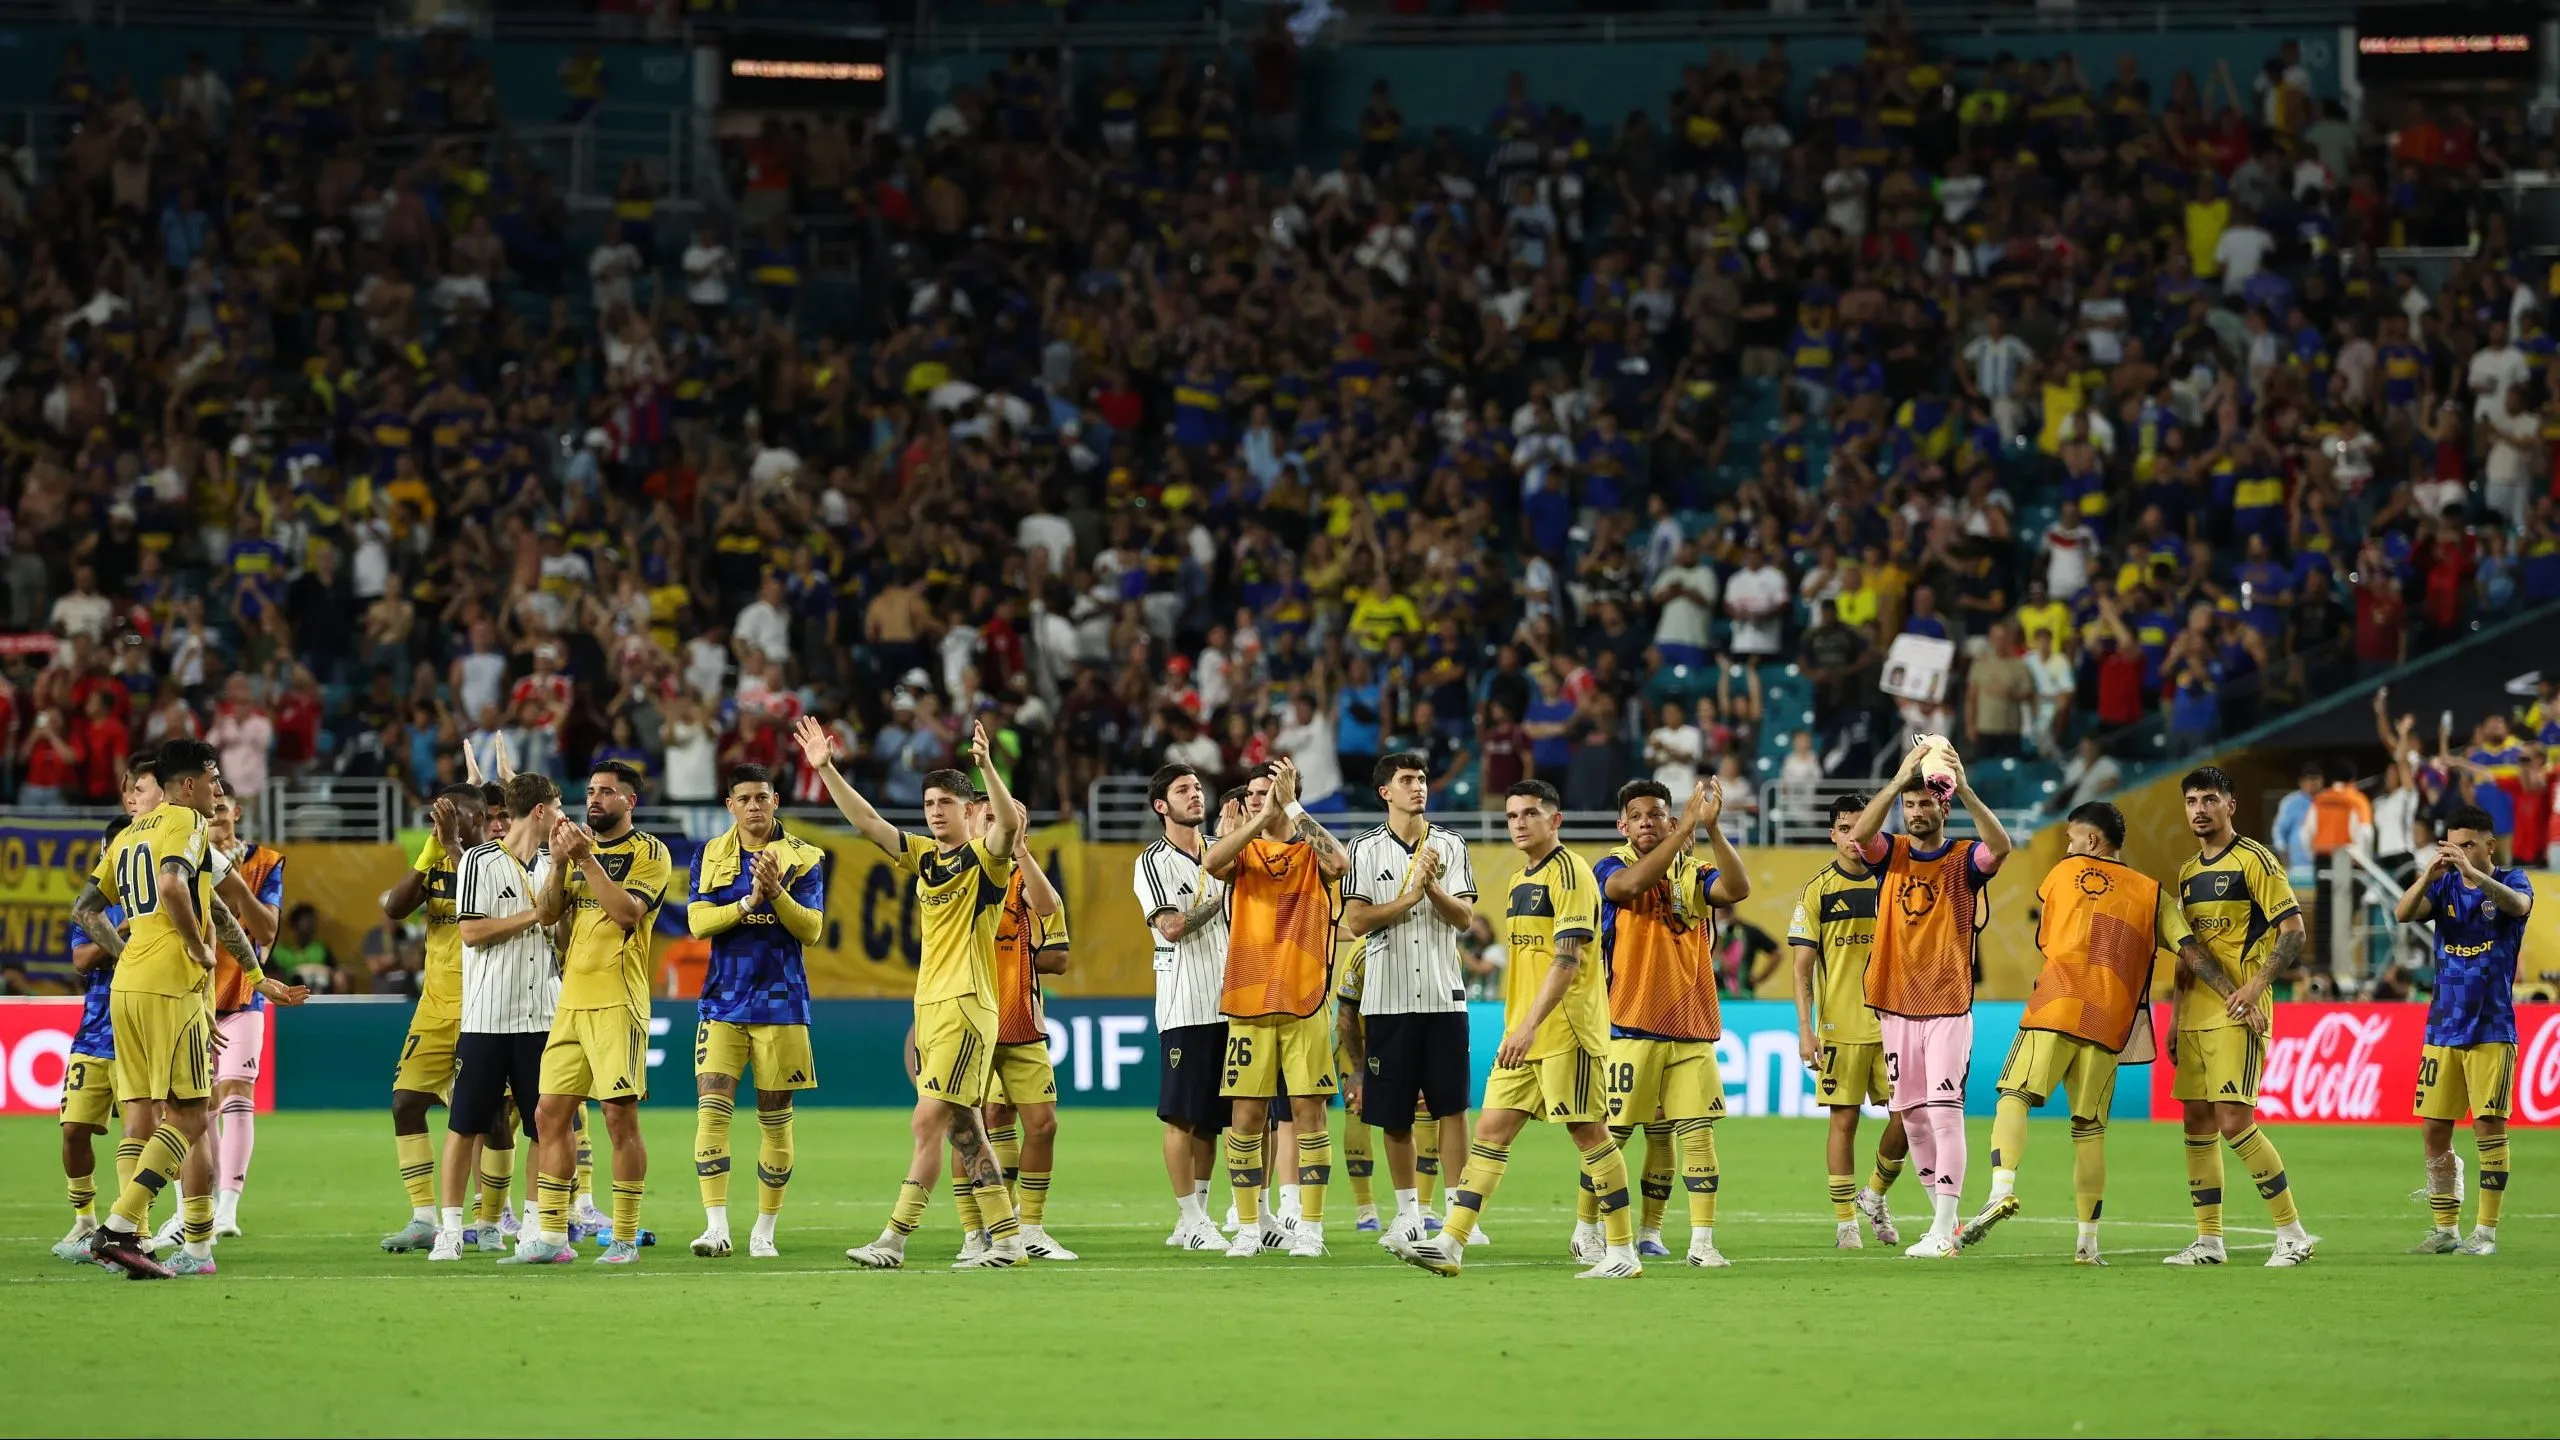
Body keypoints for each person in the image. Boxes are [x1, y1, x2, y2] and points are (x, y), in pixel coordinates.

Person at [1395, 779, 1640, 1279]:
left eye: (1530, 813)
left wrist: (1529, 1026)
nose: (1519, 824)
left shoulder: (1571, 875)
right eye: (1511, 816)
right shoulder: (1516, 880)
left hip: (1565, 1028)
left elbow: (1567, 962)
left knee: (1588, 1131)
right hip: (1523, 1033)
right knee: (1490, 1131)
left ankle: (1622, 1251)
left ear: (1556, 820)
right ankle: (1451, 1243)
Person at [813, 716, 1032, 1271]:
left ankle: (894, 1238)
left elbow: (1007, 823)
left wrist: (985, 766)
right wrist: (827, 770)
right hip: (932, 1006)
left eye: (946, 804)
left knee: (927, 1120)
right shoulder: (924, 858)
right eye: (930, 803)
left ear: (967, 810)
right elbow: (867, 822)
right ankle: (1007, 1241)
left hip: (966, 1005)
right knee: (964, 1128)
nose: (935, 811)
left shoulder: (987, 861)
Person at [1962, 801, 2202, 1265]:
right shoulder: (2153, 893)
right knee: (2089, 1131)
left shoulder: (2063, 873)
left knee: (2014, 1096)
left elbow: (2052, 925)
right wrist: (2236, 990)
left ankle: (2001, 1190)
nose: (2069, 846)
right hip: (2111, 1020)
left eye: (2073, 837)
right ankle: (2087, 1245)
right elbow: (2189, 950)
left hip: (2057, 1003)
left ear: (2091, 841)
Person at [73, 740, 274, 1278]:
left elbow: (85, 910)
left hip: (128, 987)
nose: (218, 789)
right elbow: (171, 885)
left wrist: (129, 952)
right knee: (189, 1114)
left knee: (146, 1113)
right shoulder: (184, 819)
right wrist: (193, 946)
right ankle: (120, 1227)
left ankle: (152, 1237)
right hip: (171, 988)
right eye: (212, 779)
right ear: (188, 784)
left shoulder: (132, 831)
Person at [1844, 738, 2014, 1257]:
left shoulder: (1964, 860)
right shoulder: (1889, 854)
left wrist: (1962, 787)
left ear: (1942, 807)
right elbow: (1856, 837)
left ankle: (1942, 1230)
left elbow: (2001, 847)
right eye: (1909, 805)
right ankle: (1946, 1222)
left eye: (1925, 802)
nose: (1917, 811)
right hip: (1894, 1002)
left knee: (1944, 1111)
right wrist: (1897, 780)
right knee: (1913, 1116)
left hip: (1945, 1002)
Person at [516, 762, 673, 1266]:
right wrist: (561, 863)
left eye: (608, 792)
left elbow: (628, 914)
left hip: (618, 1001)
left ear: (631, 802)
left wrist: (586, 862)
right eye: (591, 791)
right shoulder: (576, 849)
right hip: (571, 1000)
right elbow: (546, 914)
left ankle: (624, 1237)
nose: (595, 799)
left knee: (617, 1117)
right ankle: (552, 1236)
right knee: (548, 1115)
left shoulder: (651, 852)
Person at [1593, 775, 1750, 1269]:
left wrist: (1713, 831)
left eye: (1657, 815)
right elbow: (1632, 887)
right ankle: (1588, 1229)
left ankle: (1699, 1242)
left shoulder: (1696, 871)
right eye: (1637, 816)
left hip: (1692, 1024)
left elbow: (1738, 888)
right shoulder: (1610, 866)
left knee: (1695, 1132)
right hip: (1629, 1023)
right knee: (1611, 1135)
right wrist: (1685, 829)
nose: (1647, 823)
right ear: (1622, 824)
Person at [2167, 765, 2317, 1267]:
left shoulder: (2256, 860)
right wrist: (2173, 1017)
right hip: (2195, 1015)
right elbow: (2186, 953)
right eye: (2192, 801)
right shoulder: (2188, 873)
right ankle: (2209, 1241)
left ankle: (2292, 1233)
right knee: (2197, 1122)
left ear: (2230, 805)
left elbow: (2293, 931)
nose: (2200, 810)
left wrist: (2255, 988)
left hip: (2240, 1011)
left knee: (2234, 1122)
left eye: (2210, 799)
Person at [1205, 757, 1350, 1258]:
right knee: (1246, 1117)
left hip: (1305, 999)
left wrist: (1289, 805)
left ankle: (1311, 1228)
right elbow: (1210, 863)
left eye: (1267, 792)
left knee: (1309, 1116)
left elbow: (1340, 863)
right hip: (1248, 1002)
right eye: (1251, 793)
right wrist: (1255, 820)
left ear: (1290, 794)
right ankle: (1248, 1227)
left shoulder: (1310, 852)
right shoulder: (1244, 853)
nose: (1257, 799)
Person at [685, 762, 826, 1260]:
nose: (754, 806)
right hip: (723, 1001)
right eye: (744, 798)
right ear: (730, 805)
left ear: (776, 800)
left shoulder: (805, 857)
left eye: (762, 797)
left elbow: (810, 929)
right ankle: (716, 1227)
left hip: (782, 1004)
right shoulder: (709, 854)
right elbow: (698, 922)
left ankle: (764, 1230)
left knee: (775, 1120)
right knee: (712, 1111)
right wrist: (749, 903)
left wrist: (777, 893)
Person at [1339, 752, 1477, 1249]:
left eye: (1421, 778)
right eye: (1406, 780)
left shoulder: (1451, 844)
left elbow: (1464, 918)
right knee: (1394, 1115)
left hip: (1444, 998)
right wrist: (1410, 894)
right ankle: (1408, 1215)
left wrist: (1432, 885)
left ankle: (1463, 1217)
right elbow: (1356, 921)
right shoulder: (1363, 849)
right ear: (1385, 792)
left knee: (1452, 1109)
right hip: (1388, 999)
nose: (1418, 786)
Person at [433, 773, 561, 1262]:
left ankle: (532, 1227)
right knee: (464, 1125)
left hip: (542, 1017)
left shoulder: (554, 863)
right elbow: (470, 931)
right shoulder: (477, 860)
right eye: (558, 807)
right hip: (487, 1018)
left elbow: (564, 930)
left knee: (544, 1128)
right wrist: (536, 914)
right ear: (542, 812)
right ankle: (449, 1230)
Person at [2394, 803, 2530, 1256]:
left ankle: (2486, 1233)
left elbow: (2519, 906)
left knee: (2488, 1124)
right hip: (2442, 1025)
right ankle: (2445, 1228)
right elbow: (2402, 913)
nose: (2459, 852)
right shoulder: (2445, 884)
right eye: (2453, 844)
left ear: (2489, 845)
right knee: (2434, 1128)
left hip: (2492, 1025)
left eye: (2468, 844)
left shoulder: (2511, 881)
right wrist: (2430, 876)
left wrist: (2475, 871)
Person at [1789, 792, 1908, 1250]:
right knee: (1844, 1120)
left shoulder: (1895, 882)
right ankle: (1845, 1223)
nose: (1855, 838)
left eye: (1865, 829)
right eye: (1845, 829)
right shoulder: (1817, 890)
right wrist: (1806, 1029)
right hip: (1841, 1027)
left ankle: (1874, 1194)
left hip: (1897, 1022)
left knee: (1909, 1117)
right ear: (1832, 834)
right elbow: (1801, 972)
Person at [376, 782, 489, 1252]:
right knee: (406, 1101)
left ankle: (487, 1220)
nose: (455, 823)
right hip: (436, 1007)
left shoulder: (494, 861)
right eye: (449, 814)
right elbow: (395, 909)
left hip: (486, 1005)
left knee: (489, 1118)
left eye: (465, 815)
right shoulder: (435, 862)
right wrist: (429, 853)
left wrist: (454, 846)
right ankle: (424, 1216)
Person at [1134, 763, 1232, 1250]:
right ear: (1161, 805)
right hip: (1185, 1004)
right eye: (1182, 790)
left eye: (1197, 788)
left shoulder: (1221, 849)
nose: (1195, 795)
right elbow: (1172, 926)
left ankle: (1197, 1217)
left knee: (1212, 1120)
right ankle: (1190, 1218)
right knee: (1181, 1116)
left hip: (1231, 1001)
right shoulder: (1152, 861)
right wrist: (1226, 891)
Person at [979, 791, 1077, 1262]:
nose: (1001, 824)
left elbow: (1055, 940)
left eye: (1013, 820)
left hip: (1022, 1019)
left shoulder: (1027, 879)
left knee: (1042, 1124)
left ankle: (1031, 1226)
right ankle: (976, 1230)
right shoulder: (958, 874)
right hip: (972, 1020)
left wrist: (1020, 851)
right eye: (991, 816)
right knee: (977, 1122)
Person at [200, 791, 287, 1240]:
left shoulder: (266, 863)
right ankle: (201, 1202)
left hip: (242, 992)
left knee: (235, 1091)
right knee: (198, 1103)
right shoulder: (182, 853)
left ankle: (228, 1208)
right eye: (210, 798)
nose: (217, 807)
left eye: (224, 802)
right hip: (191, 995)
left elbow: (267, 929)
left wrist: (231, 879)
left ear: (236, 812)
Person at [55, 815, 131, 1261]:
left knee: (139, 1132)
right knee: (73, 1129)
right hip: (93, 1036)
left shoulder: (154, 902)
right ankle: (84, 1219)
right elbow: (82, 960)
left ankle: (134, 1224)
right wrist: (117, 933)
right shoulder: (91, 904)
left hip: (137, 1034)